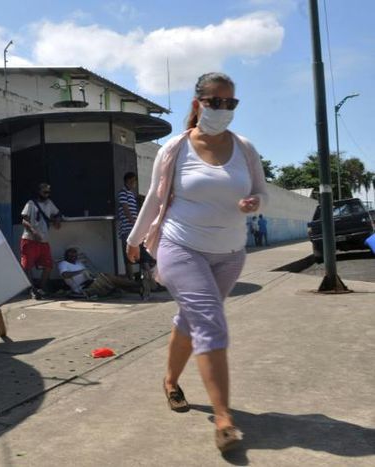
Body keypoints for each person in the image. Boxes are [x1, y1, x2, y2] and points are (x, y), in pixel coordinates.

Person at [125, 72, 268, 453]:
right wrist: (135, 239)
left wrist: (255, 204)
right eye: (215, 102)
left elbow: (261, 193)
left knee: (190, 320)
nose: (223, 110)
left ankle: (170, 381)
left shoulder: (246, 148)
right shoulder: (174, 149)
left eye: (230, 103)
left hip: (230, 254)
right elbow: (155, 200)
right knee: (210, 323)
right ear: (197, 104)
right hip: (180, 246)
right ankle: (224, 419)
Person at [21, 183, 61, 299]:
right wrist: (34, 232)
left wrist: (57, 220)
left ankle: (41, 288)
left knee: (48, 265)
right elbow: (24, 221)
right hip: (29, 239)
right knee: (28, 266)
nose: (47, 194)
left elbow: (57, 214)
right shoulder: (31, 204)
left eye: (48, 192)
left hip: (43, 240)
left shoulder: (49, 203)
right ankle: (32, 290)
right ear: (38, 192)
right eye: (45, 192)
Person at [57, 247, 137, 299]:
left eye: (75, 256)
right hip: (82, 287)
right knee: (108, 277)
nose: (73, 257)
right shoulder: (63, 264)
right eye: (70, 256)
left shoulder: (78, 263)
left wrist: (92, 275)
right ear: (66, 256)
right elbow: (65, 275)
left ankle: (137, 287)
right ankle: (136, 284)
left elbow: (88, 274)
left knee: (109, 279)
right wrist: (81, 271)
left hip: (90, 282)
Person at [117, 172, 140, 280]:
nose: (134, 183)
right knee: (128, 252)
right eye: (133, 181)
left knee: (137, 252)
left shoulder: (131, 194)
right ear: (128, 181)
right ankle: (130, 277)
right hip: (127, 227)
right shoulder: (123, 192)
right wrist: (133, 222)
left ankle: (137, 276)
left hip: (133, 227)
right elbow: (125, 208)